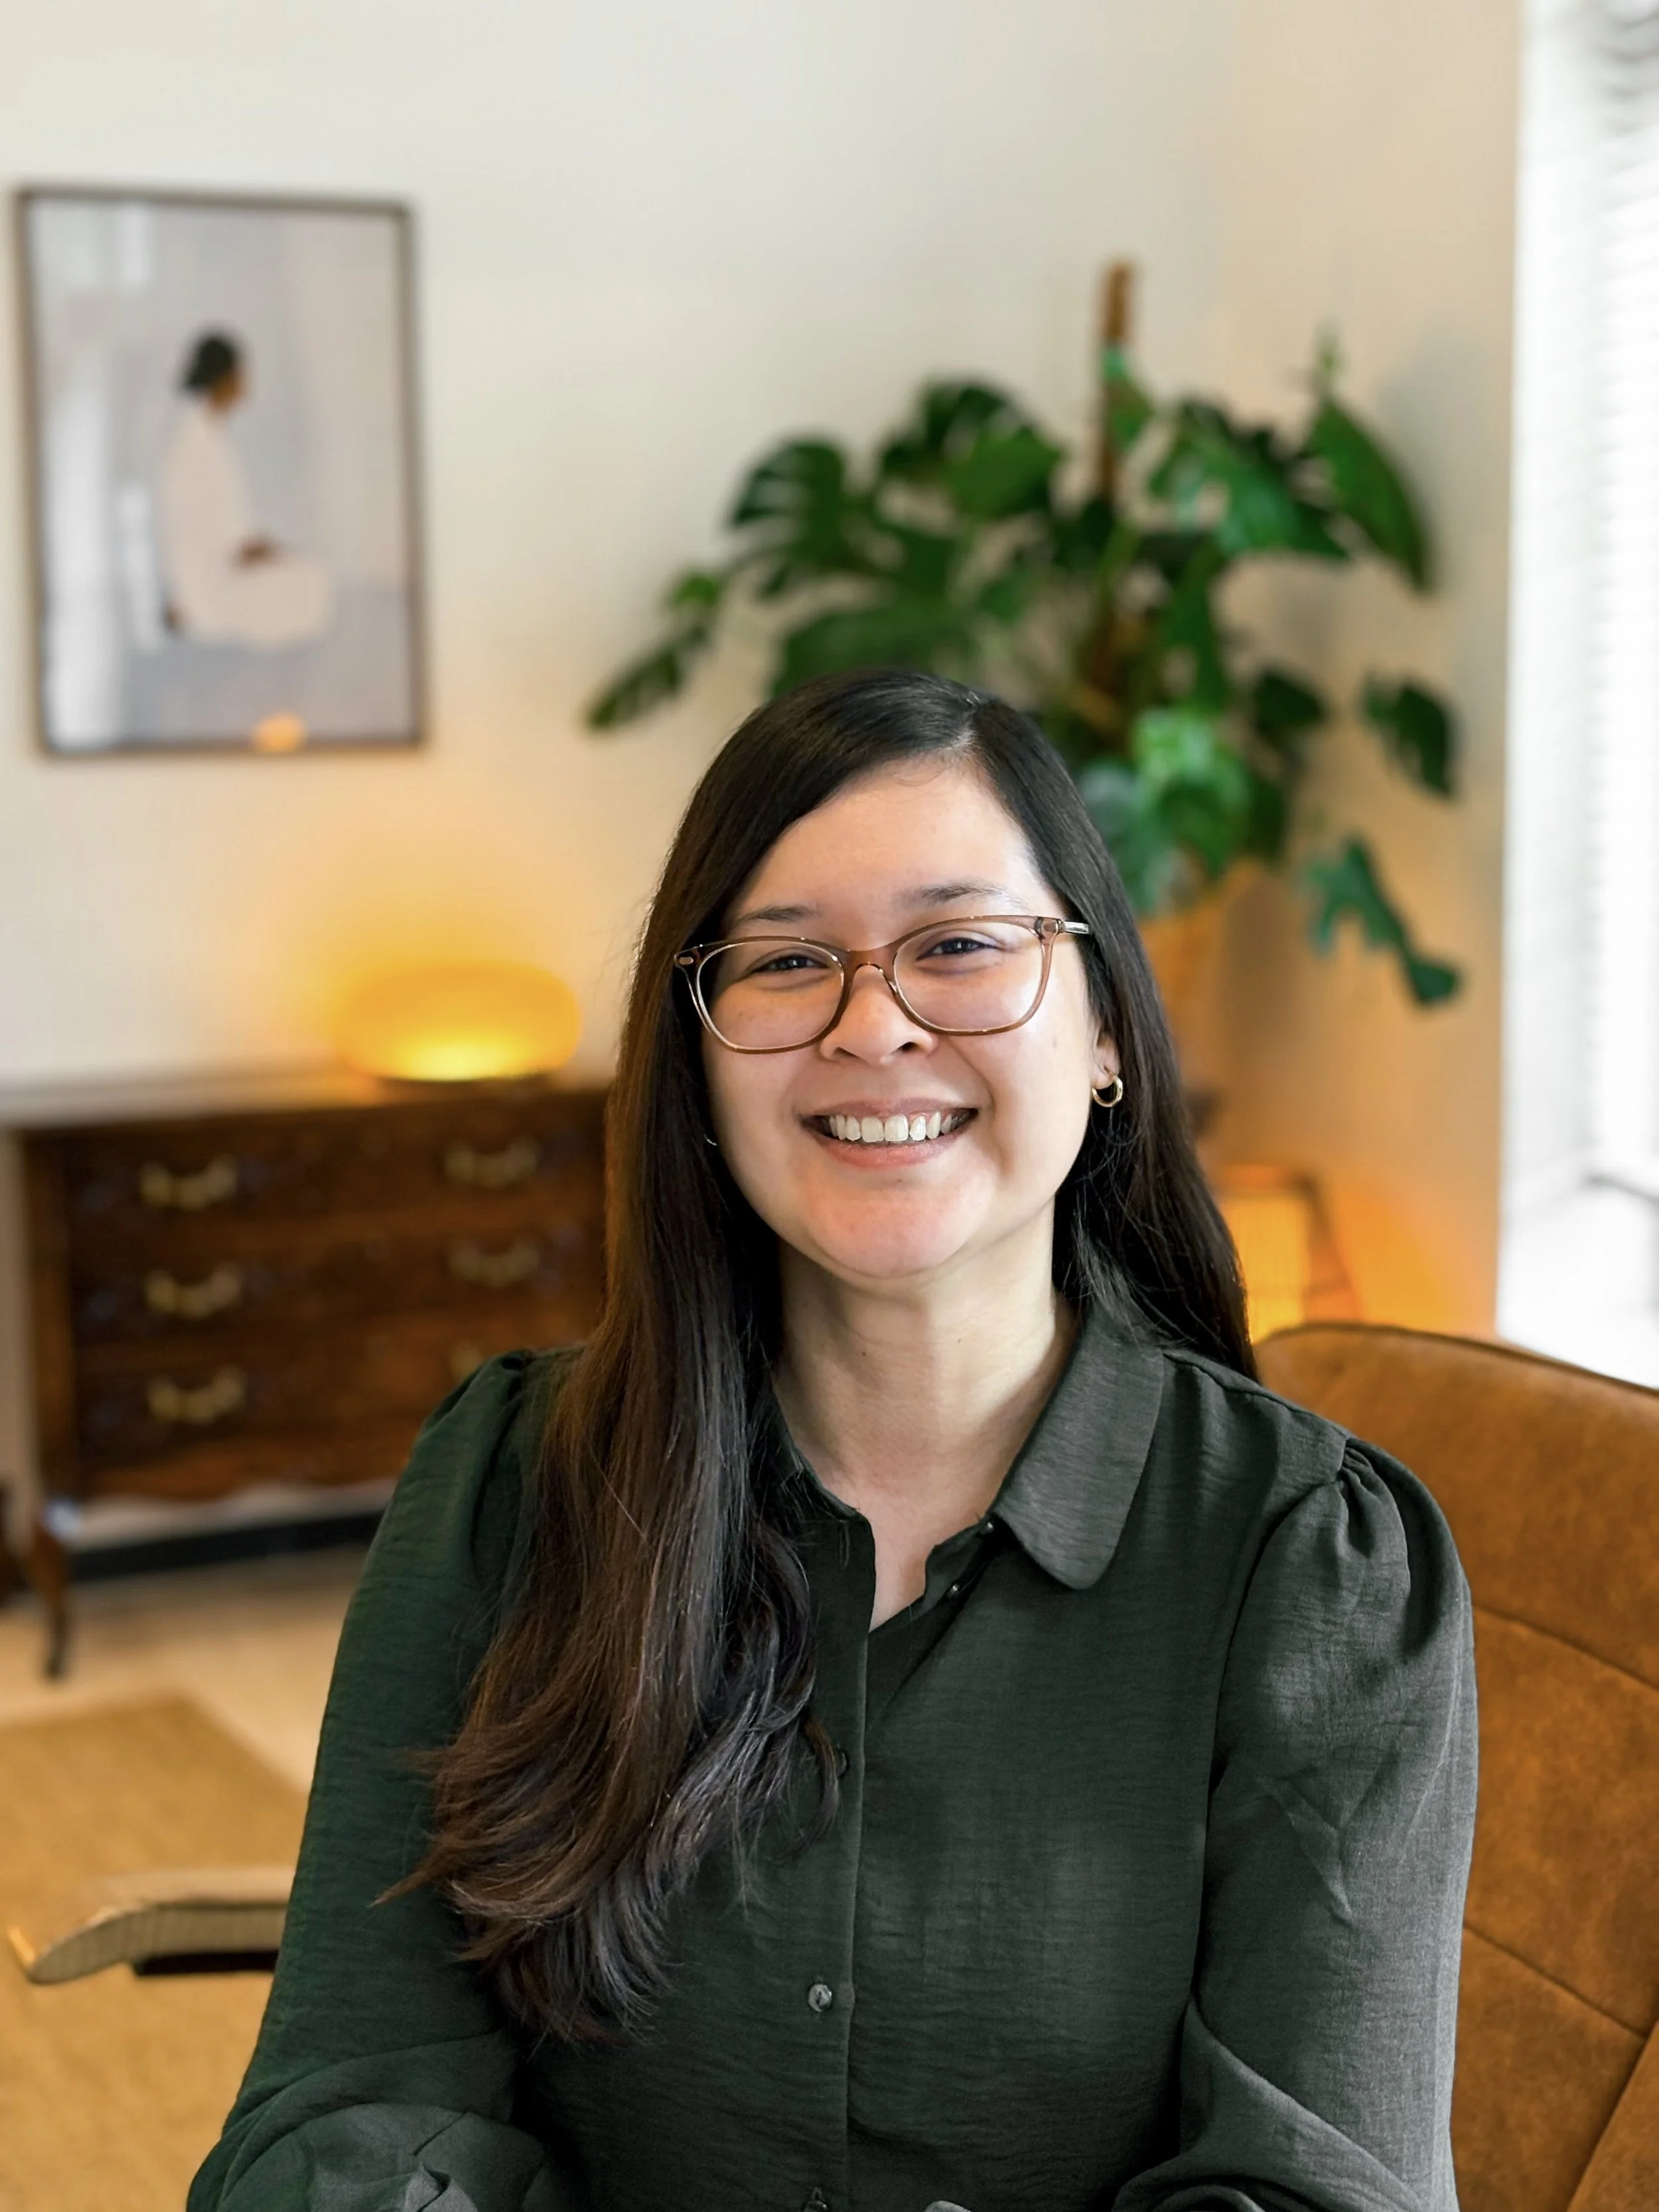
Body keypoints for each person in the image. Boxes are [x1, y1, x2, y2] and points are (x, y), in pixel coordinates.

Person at [190, 670, 1477, 2212]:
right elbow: (353, 2095)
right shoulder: (507, 1486)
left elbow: (1309, 2186)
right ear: (700, 1061)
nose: (873, 1025)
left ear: (1108, 1030)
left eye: (958, 947)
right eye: (786, 961)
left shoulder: (1310, 1563)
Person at [157, 329, 331, 648]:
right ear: (224, 379)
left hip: (219, 568)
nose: (245, 384)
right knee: (307, 584)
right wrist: (258, 552)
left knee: (309, 576)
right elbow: (214, 534)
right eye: (241, 375)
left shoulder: (210, 435)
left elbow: (230, 523)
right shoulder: (196, 443)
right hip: (210, 581)